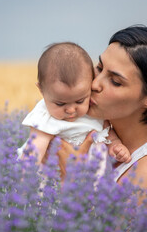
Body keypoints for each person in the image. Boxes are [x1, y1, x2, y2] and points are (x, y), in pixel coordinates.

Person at [56, 26, 147, 232]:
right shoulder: (96, 129)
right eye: (99, 68)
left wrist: (71, 181)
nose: (94, 84)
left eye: (115, 82)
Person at [18, 42, 131, 179]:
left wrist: (116, 146)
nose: (71, 110)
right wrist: (25, 175)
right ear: (42, 90)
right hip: (55, 181)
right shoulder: (45, 117)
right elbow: (34, 150)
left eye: (79, 101)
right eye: (60, 103)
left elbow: (107, 132)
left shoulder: (93, 109)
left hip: (92, 181)